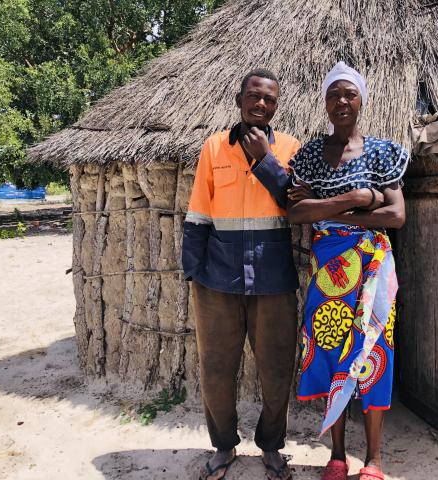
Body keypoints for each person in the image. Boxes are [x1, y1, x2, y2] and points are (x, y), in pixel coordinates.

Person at [287, 62, 409, 480]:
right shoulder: (308, 155)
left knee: (376, 351)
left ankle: (373, 460)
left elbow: (395, 216)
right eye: (334, 94)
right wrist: (357, 198)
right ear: (324, 102)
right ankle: (337, 455)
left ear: (361, 101)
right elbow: (296, 212)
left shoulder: (382, 152)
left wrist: (339, 213)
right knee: (327, 349)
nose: (342, 101)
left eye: (349, 94)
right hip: (329, 272)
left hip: (372, 268)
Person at [182, 68, 300, 480]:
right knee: (216, 367)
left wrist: (264, 162)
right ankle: (224, 446)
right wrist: (193, 272)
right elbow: (198, 212)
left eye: (269, 98)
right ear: (240, 100)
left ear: (276, 105)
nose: (261, 103)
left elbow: (295, 203)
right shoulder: (213, 148)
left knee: (277, 368)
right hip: (218, 279)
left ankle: (270, 446)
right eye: (254, 96)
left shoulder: (289, 148)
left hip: (274, 279)